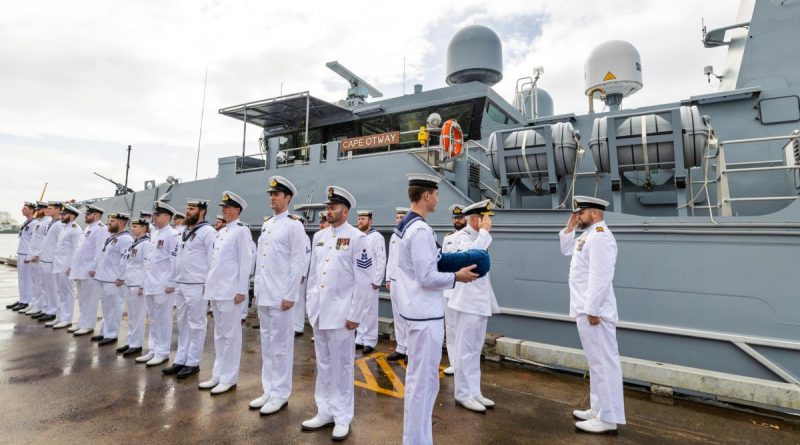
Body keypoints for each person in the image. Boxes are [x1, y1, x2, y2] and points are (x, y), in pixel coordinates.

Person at [394, 173, 477, 445]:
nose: (438, 199)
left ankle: (419, 439)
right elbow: (426, 277)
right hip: (424, 317)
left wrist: (452, 262)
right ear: (426, 195)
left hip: (415, 313)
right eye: (436, 194)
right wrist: (458, 277)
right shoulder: (419, 231)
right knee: (423, 385)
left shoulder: (409, 226)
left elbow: (432, 261)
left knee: (424, 383)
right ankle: (416, 441)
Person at [301, 186, 372, 441]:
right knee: (324, 364)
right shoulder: (319, 237)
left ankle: (342, 417)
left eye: (333, 207)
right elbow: (312, 277)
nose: (329, 211)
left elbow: (364, 281)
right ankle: (324, 411)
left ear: (346, 210)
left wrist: (355, 314)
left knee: (342, 367)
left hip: (343, 316)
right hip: (320, 313)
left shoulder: (357, 238)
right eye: (327, 207)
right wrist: (311, 306)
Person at [559, 195, 625, 434]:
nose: (579, 216)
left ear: (595, 213)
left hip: (594, 312)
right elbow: (567, 251)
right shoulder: (588, 236)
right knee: (596, 363)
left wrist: (593, 310)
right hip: (584, 308)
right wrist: (569, 228)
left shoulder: (600, 238)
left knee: (605, 364)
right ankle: (598, 409)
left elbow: (601, 277)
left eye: (582, 212)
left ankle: (608, 418)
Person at [249, 176, 310, 415]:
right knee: (267, 345)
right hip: (265, 294)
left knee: (281, 346)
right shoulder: (267, 224)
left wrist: (291, 294)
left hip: (281, 297)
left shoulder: (294, 225)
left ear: (288, 198)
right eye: (270, 194)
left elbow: (298, 261)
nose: (272, 197)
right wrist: (256, 291)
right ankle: (269, 390)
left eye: (277, 194)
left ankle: (281, 394)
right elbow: (261, 262)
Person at [447, 199, 500, 413]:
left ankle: (474, 391)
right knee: (464, 350)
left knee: (475, 350)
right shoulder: (461, 238)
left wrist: (484, 235)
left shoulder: (478, 237)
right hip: (466, 302)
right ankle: (462, 394)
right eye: (487, 219)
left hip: (478, 302)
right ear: (477, 219)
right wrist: (485, 235)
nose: (490, 223)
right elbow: (469, 260)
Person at [199, 191, 254, 395]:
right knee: (219, 335)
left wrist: (241, 291)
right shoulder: (221, 232)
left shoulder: (241, 231)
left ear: (237, 210)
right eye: (223, 206)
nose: (223, 210)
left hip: (231, 291)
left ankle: (229, 377)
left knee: (231, 336)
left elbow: (245, 262)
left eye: (227, 207)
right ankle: (217, 374)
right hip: (217, 290)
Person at [162, 199, 217, 379]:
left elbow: (212, 261)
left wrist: (207, 286)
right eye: (187, 208)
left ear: (202, 212)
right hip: (181, 283)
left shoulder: (208, 232)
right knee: (183, 324)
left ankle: (193, 362)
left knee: (197, 324)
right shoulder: (185, 230)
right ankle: (180, 359)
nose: (187, 211)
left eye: (191, 209)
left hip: (197, 285)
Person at [137, 201, 178, 366]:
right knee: (153, 318)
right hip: (151, 283)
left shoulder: (172, 235)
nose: (154, 217)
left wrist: (171, 282)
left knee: (163, 319)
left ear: (167, 217)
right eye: (154, 214)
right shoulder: (155, 234)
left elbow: (174, 260)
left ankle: (162, 352)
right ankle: (153, 349)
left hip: (163, 285)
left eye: (158, 215)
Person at [89, 212, 133, 346]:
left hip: (114, 279)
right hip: (104, 277)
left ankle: (111, 334)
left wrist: (121, 277)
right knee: (106, 307)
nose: (109, 224)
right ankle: (104, 332)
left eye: (112, 222)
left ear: (120, 223)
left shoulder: (126, 239)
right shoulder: (113, 237)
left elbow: (125, 260)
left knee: (114, 308)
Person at [69, 205, 109, 336]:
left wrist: (95, 267)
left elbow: (100, 250)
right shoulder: (88, 228)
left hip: (90, 270)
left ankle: (88, 325)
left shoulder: (101, 229)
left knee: (90, 299)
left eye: (88, 214)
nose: (85, 216)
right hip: (81, 269)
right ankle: (82, 322)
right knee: (82, 299)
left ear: (96, 215)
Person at [117, 218, 152, 357]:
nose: (133, 228)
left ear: (144, 228)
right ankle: (131, 341)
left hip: (138, 284)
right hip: (130, 282)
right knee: (131, 315)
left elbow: (146, 266)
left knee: (138, 316)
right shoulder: (135, 243)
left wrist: (143, 286)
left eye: (136, 226)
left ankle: (136, 344)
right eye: (132, 226)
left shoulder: (146, 244)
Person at [354, 210, 386, 355]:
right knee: (359, 309)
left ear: (370, 221)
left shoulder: (376, 237)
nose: (360, 221)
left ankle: (370, 340)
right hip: (358, 280)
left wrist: (377, 280)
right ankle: (360, 337)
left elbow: (381, 259)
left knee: (370, 311)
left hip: (371, 280)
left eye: (363, 219)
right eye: (359, 218)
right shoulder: (357, 236)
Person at [442, 204, 466, 375]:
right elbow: (442, 263)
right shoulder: (447, 238)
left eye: (460, 217)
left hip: (463, 289)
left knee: (463, 328)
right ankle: (454, 362)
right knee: (450, 328)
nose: (457, 220)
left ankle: (464, 362)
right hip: (448, 289)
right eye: (455, 218)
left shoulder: (471, 237)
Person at [49, 205, 82, 329]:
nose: (61, 216)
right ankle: (59, 316)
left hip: (66, 266)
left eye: (64, 214)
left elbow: (76, 250)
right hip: (58, 264)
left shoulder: (75, 229)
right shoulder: (64, 228)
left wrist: (72, 266)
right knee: (59, 292)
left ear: (72, 216)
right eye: (61, 214)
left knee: (67, 292)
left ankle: (67, 318)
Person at [385, 207, 409, 362]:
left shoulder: (411, 234)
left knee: (408, 316)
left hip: (407, 282)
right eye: (398, 217)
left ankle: (410, 349)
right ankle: (401, 347)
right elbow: (391, 259)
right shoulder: (394, 236)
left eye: (402, 217)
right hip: (394, 281)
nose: (399, 219)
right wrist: (388, 278)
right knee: (398, 315)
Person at [36, 201, 66, 323]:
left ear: (58, 210)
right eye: (47, 208)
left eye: (50, 208)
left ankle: (52, 310)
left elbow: (60, 244)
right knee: (45, 286)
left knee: (52, 287)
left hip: (51, 260)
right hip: (44, 259)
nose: (47, 210)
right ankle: (47, 308)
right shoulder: (51, 223)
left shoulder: (59, 225)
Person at [7, 201, 37, 312]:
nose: (22, 209)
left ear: (31, 210)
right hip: (21, 253)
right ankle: (22, 299)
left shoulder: (34, 224)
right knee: (22, 279)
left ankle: (27, 301)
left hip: (26, 255)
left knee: (27, 279)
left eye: (25, 208)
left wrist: (30, 255)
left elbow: (35, 241)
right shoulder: (27, 222)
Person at [24, 202, 50, 317]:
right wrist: (29, 255)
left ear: (45, 210)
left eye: (39, 209)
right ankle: (35, 303)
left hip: (39, 257)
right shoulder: (40, 222)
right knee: (35, 282)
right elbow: (34, 241)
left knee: (40, 283)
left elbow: (45, 241)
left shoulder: (47, 222)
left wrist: (37, 254)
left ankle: (40, 306)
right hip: (33, 256)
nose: (37, 211)